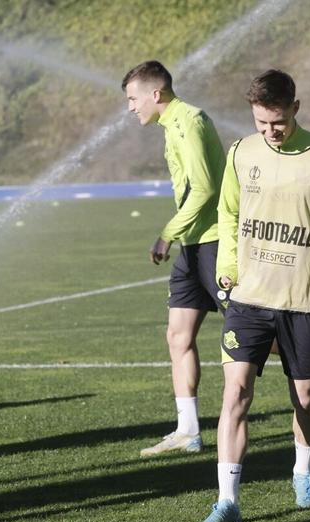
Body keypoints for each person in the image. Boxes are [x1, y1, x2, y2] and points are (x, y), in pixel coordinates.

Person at [198, 70, 310, 522]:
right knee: (235, 392)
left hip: (303, 299)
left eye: (276, 122)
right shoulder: (242, 152)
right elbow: (229, 212)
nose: (269, 132)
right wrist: (228, 267)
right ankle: (228, 500)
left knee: (305, 394)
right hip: (249, 298)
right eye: (260, 123)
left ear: (295, 107)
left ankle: (302, 475)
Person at [121, 61, 227, 457]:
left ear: (155, 93)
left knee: (251, 336)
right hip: (192, 244)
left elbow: (204, 189)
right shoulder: (171, 125)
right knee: (177, 336)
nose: (131, 108)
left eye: (133, 99)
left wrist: (168, 233)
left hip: (215, 242)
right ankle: (188, 430)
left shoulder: (190, 121)